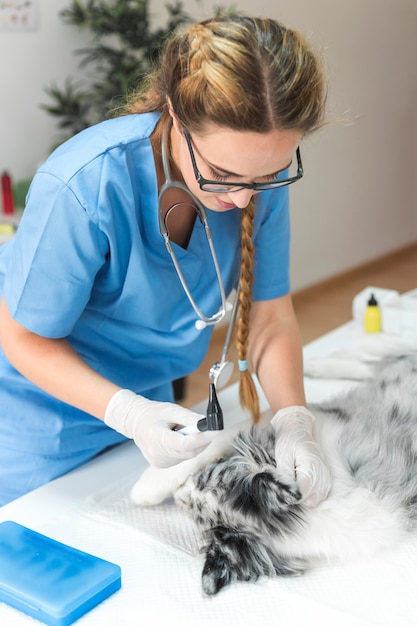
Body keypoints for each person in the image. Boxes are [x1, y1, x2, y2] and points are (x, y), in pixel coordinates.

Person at [0, 14, 331, 506]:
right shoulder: (84, 185)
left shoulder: (257, 178)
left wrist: (293, 420)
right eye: (222, 174)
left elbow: (270, 318)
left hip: (152, 415)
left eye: (268, 173)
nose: (243, 200)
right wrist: (127, 413)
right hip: (39, 424)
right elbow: (22, 336)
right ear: (175, 116)